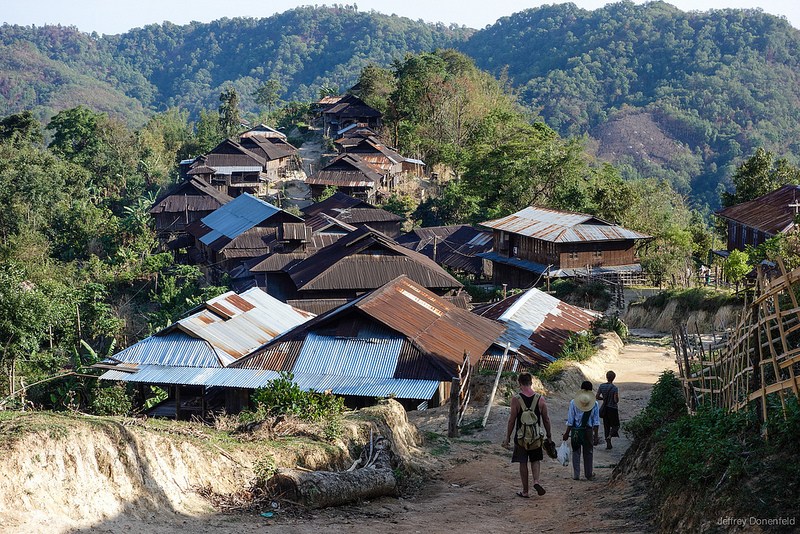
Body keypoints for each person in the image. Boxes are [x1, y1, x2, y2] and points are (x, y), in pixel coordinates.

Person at [502, 372, 552, 498]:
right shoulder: (540, 399)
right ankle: (536, 481)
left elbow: (512, 420)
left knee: (522, 462)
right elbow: (546, 419)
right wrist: (549, 435)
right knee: (535, 460)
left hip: (521, 438)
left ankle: (525, 491)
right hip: (535, 437)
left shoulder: (516, 399)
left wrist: (507, 436)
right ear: (531, 382)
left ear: (519, 383)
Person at [562, 381, 600, 481]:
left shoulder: (573, 403)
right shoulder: (595, 404)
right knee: (588, 452)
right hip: (588, 430)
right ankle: (588, 474)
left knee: (576, 452)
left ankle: (576, 475)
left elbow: (570, 421)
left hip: (576, 431)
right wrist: (596, 436)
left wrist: (566, 433)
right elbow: (596, 422)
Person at [596, 370, 620, 449]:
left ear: (606, 377)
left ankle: (608, 444)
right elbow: (615, 400)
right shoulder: (614, 388)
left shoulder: (602, 386)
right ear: (613, 378)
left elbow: (597, 396)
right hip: (612, 409)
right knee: (616, 426)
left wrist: (604, 399)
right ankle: (610, 436)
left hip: (605, 408)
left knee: (606, 426)